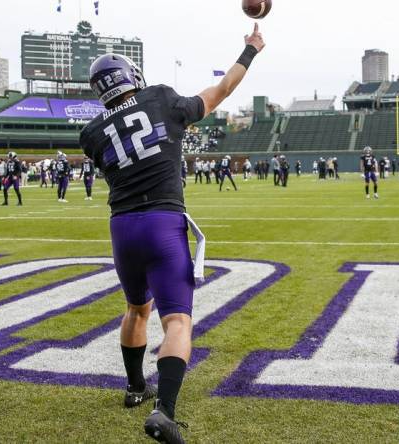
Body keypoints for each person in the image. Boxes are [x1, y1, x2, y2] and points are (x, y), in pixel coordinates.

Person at [80, 23, 264, 444]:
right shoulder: (160, 98)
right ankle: (165, 411)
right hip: (163, 220)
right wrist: (250, 50)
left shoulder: (89, 134)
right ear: (132, 77)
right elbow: (220, 92)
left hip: (122, 226)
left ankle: (134, 387)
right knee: (177, 319)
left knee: (135, 309)